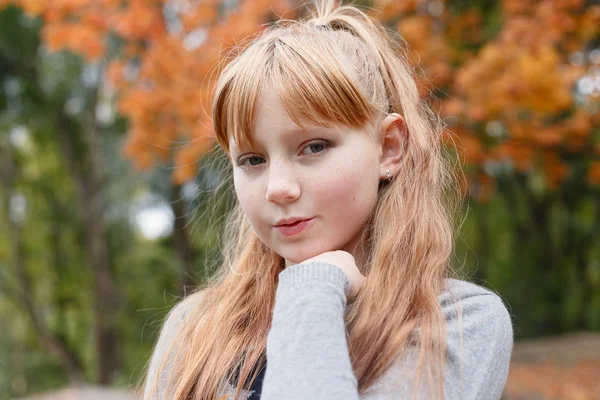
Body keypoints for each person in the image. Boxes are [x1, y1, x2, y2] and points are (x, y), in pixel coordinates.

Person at [138, 0, 513, 399]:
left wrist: (312, 289)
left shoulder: (458, 322)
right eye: (252, 159)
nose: (277, 188)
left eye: (314, 147)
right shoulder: (195, 330)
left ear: (389, 148)